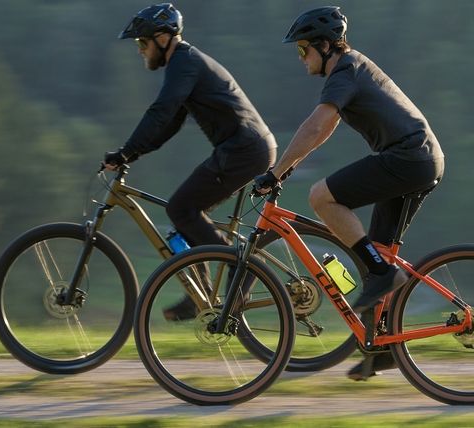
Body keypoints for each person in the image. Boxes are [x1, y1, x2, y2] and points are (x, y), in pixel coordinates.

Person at [253, 6, 445, 380]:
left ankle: (379, 272)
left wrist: (275, 172)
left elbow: (315, 126)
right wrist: (284, 170)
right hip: (419, 159)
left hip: (408, 158)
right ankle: (384, 348)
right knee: (380, 252)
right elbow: (324, 131)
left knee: (321, 197)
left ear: (325, 46)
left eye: (302, 49)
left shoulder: (344, 70)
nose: (301, 57)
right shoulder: (351, 69)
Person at [105, 3, 277, 321]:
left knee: (181, 209)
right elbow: (169, 124)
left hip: (243, 149)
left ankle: (239, 264)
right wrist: (134, 152)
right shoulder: (185, 63)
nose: (141, 51)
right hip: (244, 148)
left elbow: (161, 111)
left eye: (143, 43)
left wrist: (126, 151)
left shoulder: (184, 63)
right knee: (184, 216)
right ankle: (200, 292)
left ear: (162, 38)